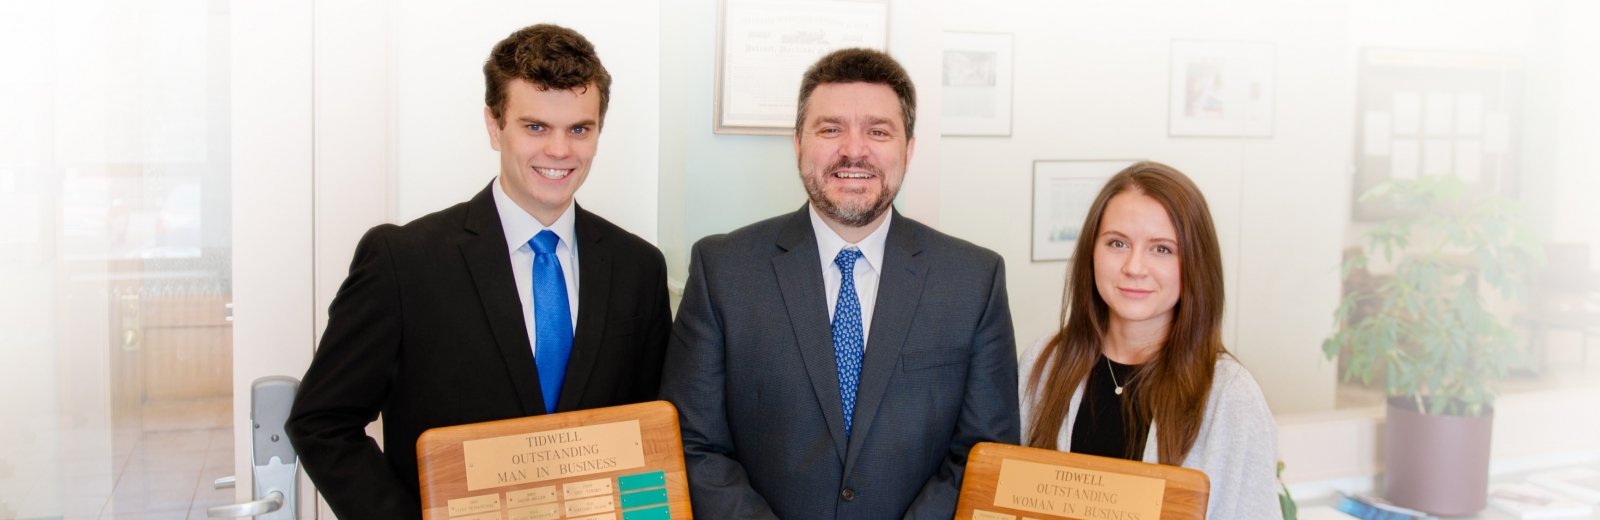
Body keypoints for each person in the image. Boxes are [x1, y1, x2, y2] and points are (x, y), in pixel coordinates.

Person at [286, 24, 670, 519]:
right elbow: (322, 421)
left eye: (579, 129)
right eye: (535, 127)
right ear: (494, 126)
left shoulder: (637, 266)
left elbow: (648, 429)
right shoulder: (404, 261)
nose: (559, 151)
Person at [660, 48, 1019, 519]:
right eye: (831, 129)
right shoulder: (723, 270)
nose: (854, 149)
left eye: (878, 131)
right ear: (797, 144)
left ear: (908, 149)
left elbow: (983, 453)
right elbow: (694, 444)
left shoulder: (974, 280)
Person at [1019, 161, 1280, 518]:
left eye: (1161, 249)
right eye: (1117, 243)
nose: (1134, 267)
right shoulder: (1044, 363)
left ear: (1195, 264)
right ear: (1090, 253)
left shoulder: (1229, 394)